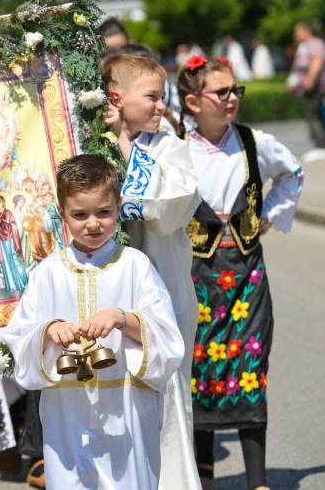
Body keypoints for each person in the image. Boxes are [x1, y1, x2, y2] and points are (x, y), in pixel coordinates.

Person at [3, 154, 185, 490]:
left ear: (118, 208)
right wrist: (48, 330)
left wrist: (123, 318)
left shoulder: (136, 266)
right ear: (62, 215)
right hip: (66, 414)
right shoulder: (46, 274)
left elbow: (168, 337)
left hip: (126, 412)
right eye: (80, 215)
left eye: (103, 212)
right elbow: (19, 335)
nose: (93, 224)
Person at [176, 55, 304, 490]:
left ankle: (258, 482)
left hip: (247, 270)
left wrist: (268, 214)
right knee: (201, 371)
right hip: (197, 273)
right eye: (222, 92)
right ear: (193, 102)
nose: (232, 99)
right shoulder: (176, 149)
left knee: (248, 365)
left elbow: (292, 173)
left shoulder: (253, 142)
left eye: (235, 90)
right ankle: (204, 478)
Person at [102, 52, 202, 489]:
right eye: (152, 97)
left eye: (162, 97)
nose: (161, 106)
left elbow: (169, 206)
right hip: (107, 298)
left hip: (164, 287)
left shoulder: (170, 147)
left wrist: (126, 147)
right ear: (116, 98)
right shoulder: (92, 143)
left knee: (167, 395)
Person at [288, 22, 325, 149]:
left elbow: (317, 62)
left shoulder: (315, 44)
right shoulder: (303, 46)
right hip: (307, 87)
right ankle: (320, 143)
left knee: (314, 114)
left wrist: (310, 80)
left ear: (307, 31)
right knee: (312, 114)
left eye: (298, 31)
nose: (296, 35)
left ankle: (322, 145)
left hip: (315, 86)